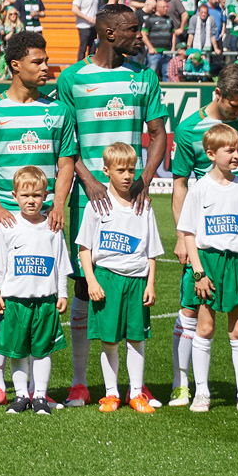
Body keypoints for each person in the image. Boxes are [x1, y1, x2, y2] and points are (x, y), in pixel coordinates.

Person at [56, 3, 169, 407]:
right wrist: (87, 180)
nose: (141, 37)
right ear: (108, 35)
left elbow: (158, 134)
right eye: (133, 30)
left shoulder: (143, 78)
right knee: (88, 287)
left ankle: (135, 385)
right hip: (89, 199)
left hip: (132, 199)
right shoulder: (72, 78)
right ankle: (81, 381)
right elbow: (64, 140)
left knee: (135, 284)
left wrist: (143, 180)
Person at [0, 31, 76, 408]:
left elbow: (65, 163)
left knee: (44, 301)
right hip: (7, 226)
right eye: (38, 62)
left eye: (46, 62)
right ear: (15, 65)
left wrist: (58, 204)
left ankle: (37, 391)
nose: (46, 68)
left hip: (47, 224)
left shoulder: (58, 111)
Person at [169, 64, 238, 407]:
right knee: (193, 309)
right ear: (217, 94)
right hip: (206, 239)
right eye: (235, 105)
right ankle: (182, 384)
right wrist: (180, 234)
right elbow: (180, 183)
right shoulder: (190, 129)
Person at [175, 123, 238, 414]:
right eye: (231, 150)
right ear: (212, 154)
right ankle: (201, 393)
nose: (237, 155)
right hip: (208, 263)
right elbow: (188, 233)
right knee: (205, 327)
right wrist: (198, 272)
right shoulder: (199, 189)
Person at [76, 142, 162, 413]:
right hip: (107, 280)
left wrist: (150, 283)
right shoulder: (97, 207)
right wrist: (91, 280)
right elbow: (84, 248)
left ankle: (136, 393)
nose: (127, 176)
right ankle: (111, 393)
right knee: (109, 340)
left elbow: (151, 251)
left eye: (131, 170)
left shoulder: (144, 207)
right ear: (106, 171)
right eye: (121, 170)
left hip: (136, 281)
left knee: (136, 338)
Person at [0, 165, 71, 415]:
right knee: (18, 351)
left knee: (42, 351)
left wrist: (63, 292)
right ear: (15, 196)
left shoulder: (53, 228)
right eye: (25, 196)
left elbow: (61, 264)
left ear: (46, 195)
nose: (31, 201)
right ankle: (21, 395)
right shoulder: (8, 226)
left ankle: (40, 396)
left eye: (36, 195)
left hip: (44, 301)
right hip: (15, 301)